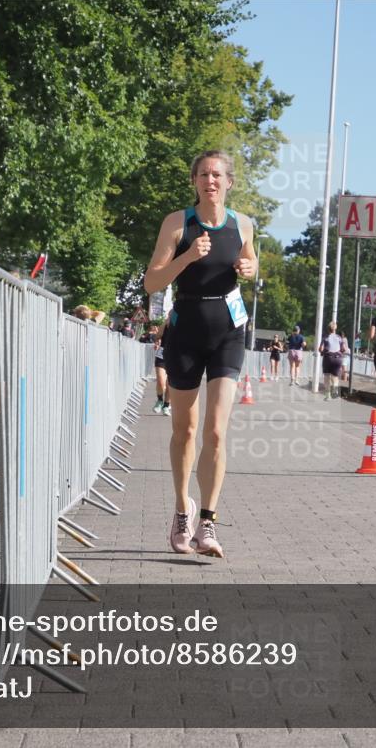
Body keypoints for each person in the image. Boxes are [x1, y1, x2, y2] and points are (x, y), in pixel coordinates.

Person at [143, 150, 257, 558]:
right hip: (186, 330)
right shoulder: (178, 223)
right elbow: (151, 283)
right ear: (194, 181)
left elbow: (250, 261)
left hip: (228, 331)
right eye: (203, 174)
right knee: (185, 431)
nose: (210, 180)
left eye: (217, 174)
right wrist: (188, 256)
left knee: (215, 430)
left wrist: (250, 270)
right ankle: (181, 510)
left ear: (229, 182)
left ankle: (208, 522)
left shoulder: (242, 224)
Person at [318, 321, 349, 400]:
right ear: (335, 328)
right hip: (338, 358)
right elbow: (344, 349)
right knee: (335, 376)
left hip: (328, 358)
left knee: (327, 376)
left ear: (328, 329)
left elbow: (320, 349)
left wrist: (322, 352)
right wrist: (340, 352)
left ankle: (328, 395)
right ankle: (334, 390)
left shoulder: (325, 337)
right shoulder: (339, 337)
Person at [152, 321, 171, 416]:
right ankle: (160, 400)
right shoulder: (166, 324)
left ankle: (166, 405)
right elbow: (157, 337)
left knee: (170, 385)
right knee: (161, 380)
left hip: (176, 357)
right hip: (162, 355)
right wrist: (157, 342)